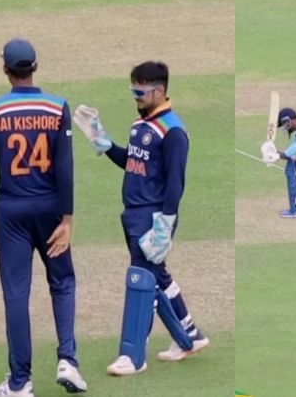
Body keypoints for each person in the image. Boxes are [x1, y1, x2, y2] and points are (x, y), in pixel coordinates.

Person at [73, 61, 209, 376]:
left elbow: (175, 182)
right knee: (157, 276)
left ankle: (133, 355)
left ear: (159, 91)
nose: (135, 96)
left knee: (140, 280)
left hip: (153, 216)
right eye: (133, 89)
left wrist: (165, 226)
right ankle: (189, 336)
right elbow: (133, 162)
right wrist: (103, 142)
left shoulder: (172, 131)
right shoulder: (140, 125)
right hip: (132, 212)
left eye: (141, 91)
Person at [0, 39, 86, 396]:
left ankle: (20, 381)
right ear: (35, 66)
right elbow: (65, 168)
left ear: (6, 70)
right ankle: (68, 359)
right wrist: (67, 218)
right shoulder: (57, 107)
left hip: (11, 212)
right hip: (50, 207)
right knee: (63, 281)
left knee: (16, 294)